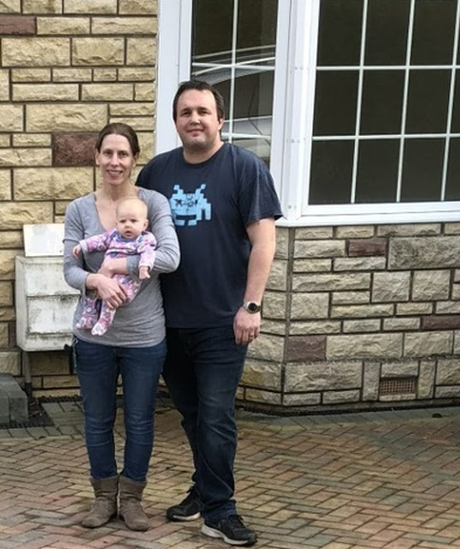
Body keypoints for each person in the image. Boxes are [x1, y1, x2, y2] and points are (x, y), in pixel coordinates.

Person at [137, 80, 282, 547]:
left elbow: (264, 240)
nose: (194, 119)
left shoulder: (244, 167)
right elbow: (133, 233)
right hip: (167, 321)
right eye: (185, 112)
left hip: (224, 320)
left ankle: (220, 510)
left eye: (203, 111)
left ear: (220, 119)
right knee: (192, 413)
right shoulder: (156, 172)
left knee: (216, 415)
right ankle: (203, 491)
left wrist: (251, 306)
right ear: (175, 122)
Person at [62, 122, 180, 532]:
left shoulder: (153, 203)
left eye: (123, 154)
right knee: (97, 419)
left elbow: (170, 257)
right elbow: (70, 270)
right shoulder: (79, 209)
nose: (115, 162)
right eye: (108, 153)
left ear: (134, 159)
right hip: (93, 336)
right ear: (97, 157)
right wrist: (97, 280)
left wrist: (119, 265)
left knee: (139, 419)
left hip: (144, 336)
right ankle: (102, 498)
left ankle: (131, 500)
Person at [72, 197, 157, 335]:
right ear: (116, 223)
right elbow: (100, 240)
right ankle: (89, 317)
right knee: (91, 290)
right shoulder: (114, 235)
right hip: (105, 276)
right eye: (123, 221)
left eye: (133, 221)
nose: (127, 225)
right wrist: (83, 245)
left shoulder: (145, 239)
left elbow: (148, 253)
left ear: (144, 224)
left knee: (109, 294)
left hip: (126, 280)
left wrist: (143, 267)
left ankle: (105, 320)